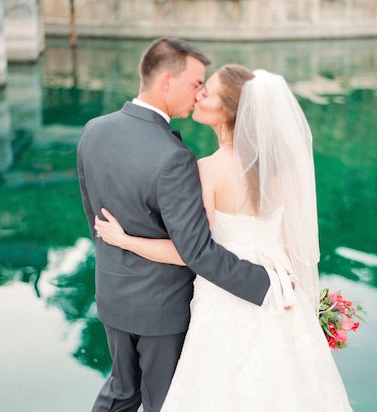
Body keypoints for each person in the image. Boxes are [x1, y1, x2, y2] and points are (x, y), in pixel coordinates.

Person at [95, 64, 353, 411]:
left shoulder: (208, 170)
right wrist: (301, 297)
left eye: (208, 92)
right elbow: (293, 245)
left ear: (230, 111)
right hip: (281, 292)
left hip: (225, 299)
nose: (198, 95)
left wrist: (125, 240)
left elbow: (192, 252)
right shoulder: (283, 167)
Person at [77, 39, 290, 412]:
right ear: (166, 81)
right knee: (167, 402)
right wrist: (265, 284)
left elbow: (92, 216)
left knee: (121, 392)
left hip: (112, 294)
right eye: (196, 84)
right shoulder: (174, 158)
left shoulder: (94, 130)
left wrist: (121, 245)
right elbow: (197, 251)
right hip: (162, 309)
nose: (198, 94)